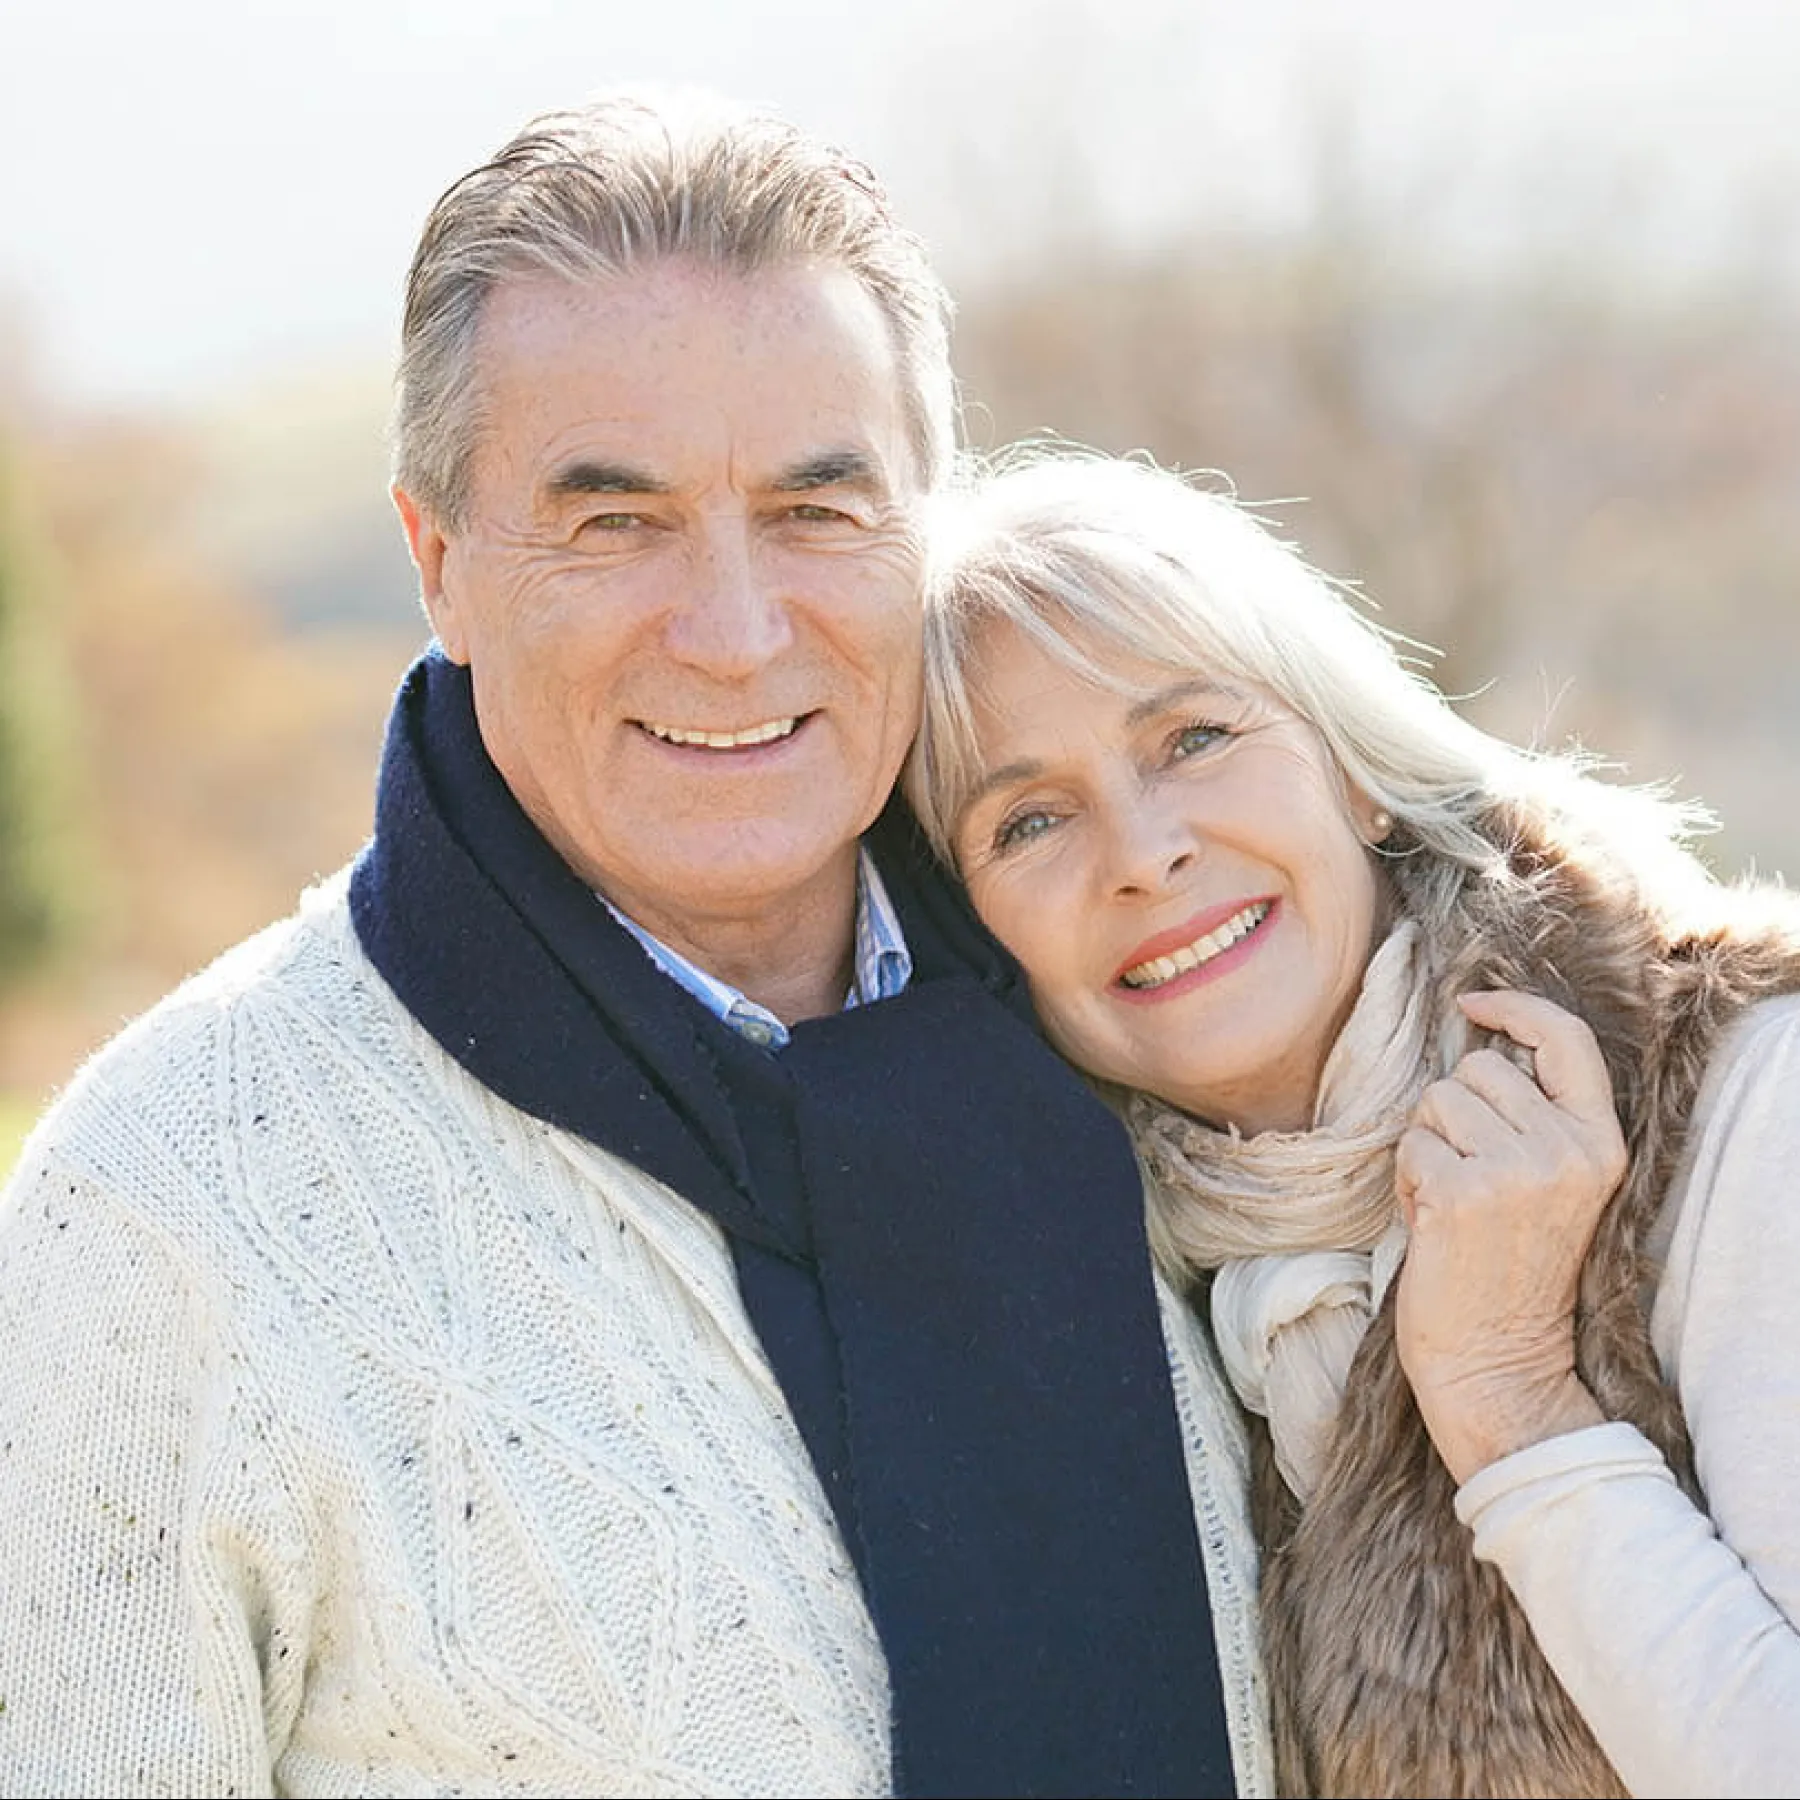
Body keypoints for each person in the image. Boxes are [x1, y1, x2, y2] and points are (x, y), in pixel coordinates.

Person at [0, 95, 1272, 1796]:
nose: (738, 635)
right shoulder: (162, 1224)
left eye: (820, 511)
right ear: (436, 563)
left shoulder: (1150, 1022)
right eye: (616, 523)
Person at [904, 440, 1800, 1800]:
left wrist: (1511, 1398)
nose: (1145, 854)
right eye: (1029, 821)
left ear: (1355, 763)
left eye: (1195, 738)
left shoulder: (1741, 1094)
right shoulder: (1104, 1311)